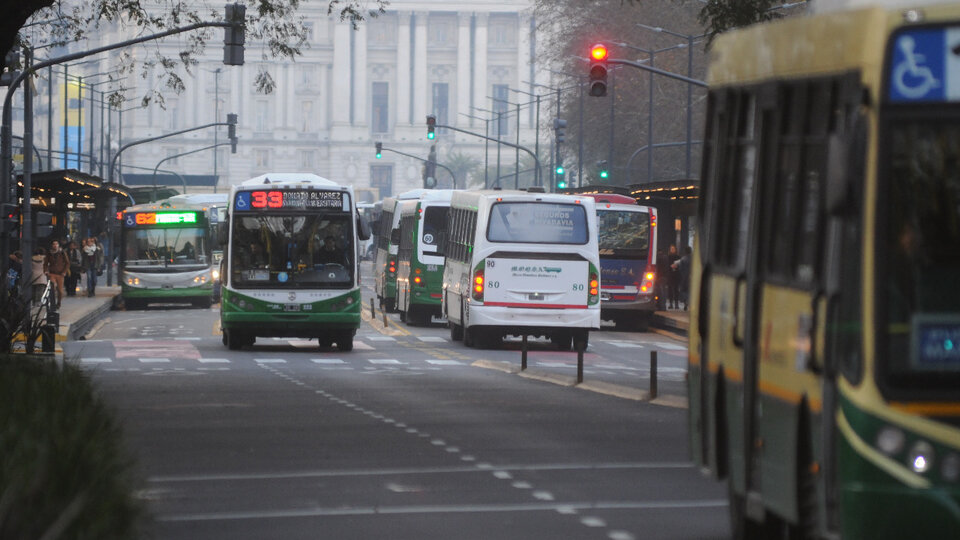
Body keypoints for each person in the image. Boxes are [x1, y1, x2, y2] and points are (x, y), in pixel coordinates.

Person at [44, 240, 70, 307]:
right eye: (54, 244)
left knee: (60, 291)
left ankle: (58, 302)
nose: (55, 246)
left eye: (56, 244)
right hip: (52, 273)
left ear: (58, 245)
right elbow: (45, 263)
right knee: (53, 287)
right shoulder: (49, 253)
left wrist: (64, 272)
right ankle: (52, 303)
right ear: (52, 245)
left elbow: (67, 263)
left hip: (60, 274)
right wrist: (46, 271)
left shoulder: (62, 253)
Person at [666, 244, 680, 309]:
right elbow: (666, 265)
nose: (672, 250)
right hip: (670, 275)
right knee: (670, 290)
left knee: (676, 290)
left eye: (673, 249)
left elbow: (680, 265)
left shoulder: (678, 257)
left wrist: (677, 266)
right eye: (671, 249)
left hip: (676, 275)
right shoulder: (668, 257)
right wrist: (670, 266)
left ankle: (676, 304)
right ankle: (671, 304)